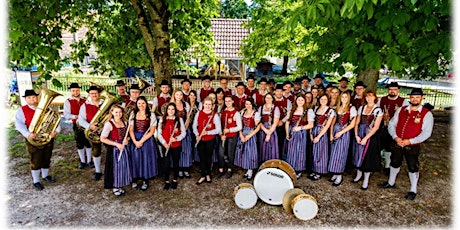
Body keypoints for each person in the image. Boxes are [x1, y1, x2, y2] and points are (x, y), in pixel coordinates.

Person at [379, 88, 433, 200]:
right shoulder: (401, 110)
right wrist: (395, 137)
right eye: (413, 97)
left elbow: (427, 133)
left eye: (417, 97)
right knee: (394, 162)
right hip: (398, 142)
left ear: (422, 98)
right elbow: (392, 124)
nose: (414, 99)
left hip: (412, 145)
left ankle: (413, 189)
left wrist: (410, 141)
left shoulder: (426, 114)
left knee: (412, 166)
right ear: (410, 98)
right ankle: (391, 182)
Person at [15, 89, 59, 190]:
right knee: (35, 159)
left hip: (47, 138)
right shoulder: (22, 110)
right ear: (26, 99)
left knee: (47, 157)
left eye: (34, 97)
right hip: (32, 138)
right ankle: (36, 181)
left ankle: (45, 176)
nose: (32, 99)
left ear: (37, 98)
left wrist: (56, 131)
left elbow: (56, 121)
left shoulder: (47, 109)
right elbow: (19, 124)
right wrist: (27, 134)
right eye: (29, 98)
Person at [352, 91, 383, 190]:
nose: (369, 98)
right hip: (360, 132)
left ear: (375, 97)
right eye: (367, 97)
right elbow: (357, 123)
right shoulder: (361, 108)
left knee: (367, 157)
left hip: (370, 135)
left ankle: (366, 179)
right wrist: (356, 135)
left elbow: (376, 127)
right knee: (358, 154)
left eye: (371, 96)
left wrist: (366, 138)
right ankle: (358, 174)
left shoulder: (378, 110)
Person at [377, 82, 409, 175]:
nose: (392, 91)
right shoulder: (382, 99)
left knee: (389, 148)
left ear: (398, 90)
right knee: (379, 146)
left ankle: (387, 166)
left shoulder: (404, 102)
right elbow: (376, 111)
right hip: (382, 127)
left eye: (394, 89)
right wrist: (382, 116)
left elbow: (406, 116)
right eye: (390, 89)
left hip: (394, 129)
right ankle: (378, 163)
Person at [127, 96, 159, 191]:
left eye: (143, 103)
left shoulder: (151, 115)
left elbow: (152, 131)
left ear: (146, 104)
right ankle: (135, 179)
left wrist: (141, 141)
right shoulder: (133, 114)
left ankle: (145, 179)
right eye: (139, 103)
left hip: (146, 139)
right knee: (135, 159)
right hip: (135, 139)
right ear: (136, 104)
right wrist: (135, 141)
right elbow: (131, 130)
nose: (141, 105)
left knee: (145, 159)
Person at [100, 105, 131, 196]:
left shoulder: (125, 122)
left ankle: (120, 184)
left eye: (120, 112)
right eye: (116, 112)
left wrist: (127, 140)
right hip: (115, 149)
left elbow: (127, 136)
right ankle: (115, 186)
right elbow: (103, 138)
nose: (118, 114)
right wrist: (117, 144)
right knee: (116, 168)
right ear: (112, 112)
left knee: (123, 166)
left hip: (124, 148)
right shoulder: (109, 124)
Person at [328, 91, 357, 186]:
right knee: (333, 152)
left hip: (344, 132)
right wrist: (331, 134)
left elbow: (352, 124)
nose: (344, 99)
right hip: (336, 130)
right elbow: (333, 122)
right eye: (343, 97)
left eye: (346, 97)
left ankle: (339, 174)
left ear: (348, 98)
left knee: (341, 153)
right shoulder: (337, 107)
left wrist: (341, 132)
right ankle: (334, 173)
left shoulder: (351, 109)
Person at [78, 85, 105, 181]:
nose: (94, 95)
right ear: (89, 94)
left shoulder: (105, 103)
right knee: (96, 150)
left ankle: (112, 168)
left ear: (99, 94)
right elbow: (80, 120)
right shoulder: (84, 106)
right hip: (94, 132)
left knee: (111, 150)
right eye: (92, 93)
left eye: (96, 93)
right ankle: (98, 171)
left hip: (107, 131)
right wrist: (89, 126)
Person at [193, 97, 222, 185]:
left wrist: (208, 132)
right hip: (200, 139)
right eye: (206, 104)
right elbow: (194, 125)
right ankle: (202, 175)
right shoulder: (199, 113)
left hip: (210, 140)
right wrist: (197, 134)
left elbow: (218, 129)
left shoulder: (215, 115)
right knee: (202, 157)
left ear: (212, 106)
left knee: (209, 157)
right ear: (203, 105)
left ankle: (208, 174)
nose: (208, 106)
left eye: (210, 104)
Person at [285, 95, 315, 179]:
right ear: (296, 100)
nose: (300, 101)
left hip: (301, 133)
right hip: (291, 132)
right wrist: (287, 133)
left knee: (299, 150)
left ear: (305, 101)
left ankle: (298, 169)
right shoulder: (292, 110)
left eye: (302, 100)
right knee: (290, 151)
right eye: (299, 99)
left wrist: (300, 128)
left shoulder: (308, 111)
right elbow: (287, 122)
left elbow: (311, 125)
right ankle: (290, 168)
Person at [157, 103, 186, 190]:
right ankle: (166, 181)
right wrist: (164, 143)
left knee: (175, 162)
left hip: (176, 145)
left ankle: (174, 180)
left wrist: (176, 138)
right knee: (166, 163)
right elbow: (159, 133)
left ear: (175, 110)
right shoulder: (162, 119)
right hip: (165, 145)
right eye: (169, 109)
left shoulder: (179, 120)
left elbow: (184, 133)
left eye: (173, 109)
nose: (171, 111)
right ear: (166, 110)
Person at [63, 83, 91, 169]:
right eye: (73, 90)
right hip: (77, 124)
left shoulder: (85, 100)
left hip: (86, 123)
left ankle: (89, 161)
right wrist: (76, 116)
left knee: (88, 142)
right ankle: (83, 161)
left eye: (77, 90)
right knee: (79, 142)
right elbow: (66, 115)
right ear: (70, 91)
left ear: (80, 90)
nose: (75, 92)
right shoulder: (68, 101)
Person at [309, 94, 335, 180]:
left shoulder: (330, 111)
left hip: (322, 132)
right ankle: (313, 169)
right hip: (314, 130)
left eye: (325, 99)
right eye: (321, 99)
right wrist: (311, 133)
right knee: (313, 151)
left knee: (321, 152)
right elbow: (312, 122)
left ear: (328, 100)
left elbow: (327, 125)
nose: (323, 101)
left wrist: (319, 136)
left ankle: (319, 171)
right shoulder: (316, 109)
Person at [234, 98, 261, 180]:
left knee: (250, 152)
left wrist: (249, 136)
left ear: (252, 104)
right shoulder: (242, 112)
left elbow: (257, 127)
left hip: (251, 133)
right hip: (243, 132)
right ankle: (246, 169)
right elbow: (239, 125)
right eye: (246, 104)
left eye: (249, 104)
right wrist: (241, 134)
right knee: (243, 152)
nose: (248, 106)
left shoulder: (256, 113)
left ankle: (250, 171)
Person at [217, 95, 242, 179]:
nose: (227, 102)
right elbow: (219, 125)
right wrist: (220, 134)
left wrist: (229, 130)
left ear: (232, 102)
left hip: (232, 136)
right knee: (220, 152)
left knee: (230, 153)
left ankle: (229, 169)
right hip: (223, 136)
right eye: (226, 101)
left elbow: (239, 127)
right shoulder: (222, 111)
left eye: (229, 101)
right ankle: (221, 169)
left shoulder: (236, 113)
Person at [170, 90, 192, 179]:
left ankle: (185, 168)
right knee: (177, 150)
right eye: (177, 94)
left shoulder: (186, 104)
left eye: (180, 95)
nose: (179, 96)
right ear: (174, 95)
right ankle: (178, 168)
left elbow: (188, 118)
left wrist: (185, 129)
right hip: (175, 130)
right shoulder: (171, 105)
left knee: (186, 149)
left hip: (185, 129)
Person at [258, 93, 280, 162]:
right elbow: (258, 121)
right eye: (267, 98)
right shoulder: (261, 108)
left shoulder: (275, 108)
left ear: (273, 99)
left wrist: (269, 133)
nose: (268, 99)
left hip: (271, 130)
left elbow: (275, 122)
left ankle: (271, 164)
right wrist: (265, 130)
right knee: (262, 147)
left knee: (271, 147)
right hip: (262, 129)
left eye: (270, 98)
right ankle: (263, 164)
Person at [273, 84, 292, 160]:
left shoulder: (287, 102)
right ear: (274, 92)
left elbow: (289, 113)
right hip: (272, 125)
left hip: (282, 126)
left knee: (281, 144)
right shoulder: (271, 100)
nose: (279, 93)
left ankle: (281, 159)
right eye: (277, 91)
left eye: (281, 91)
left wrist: (282, 121)